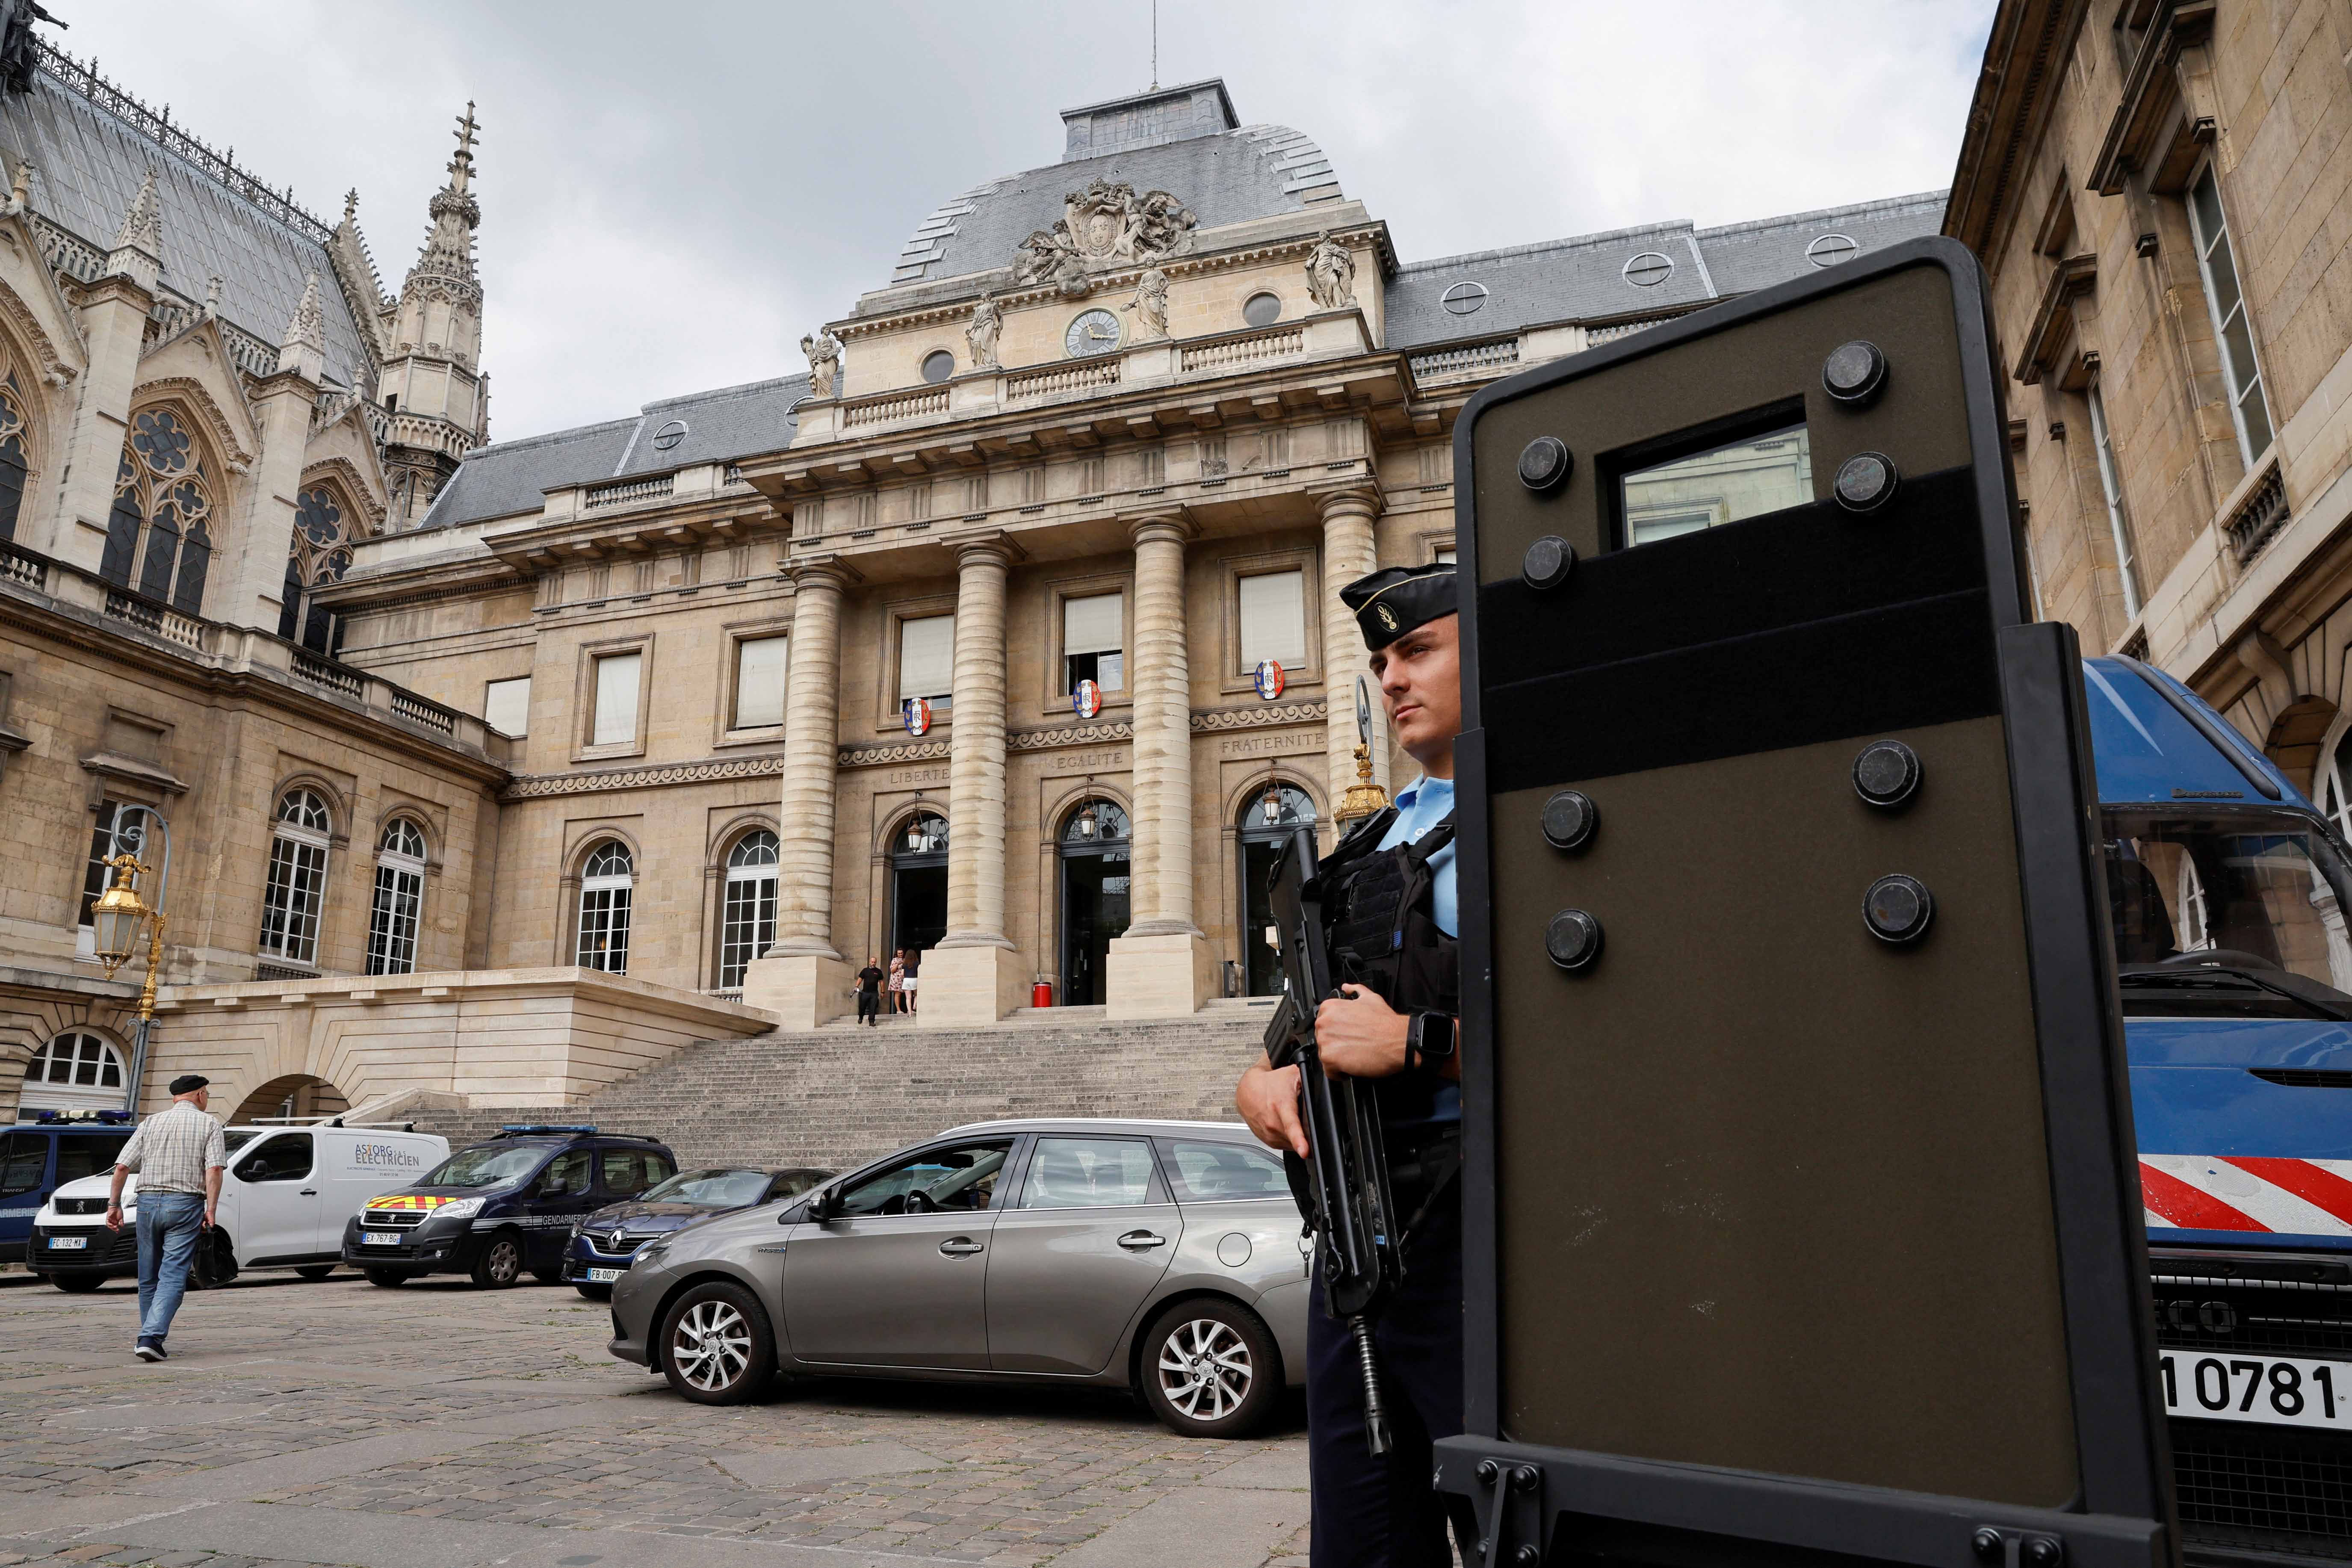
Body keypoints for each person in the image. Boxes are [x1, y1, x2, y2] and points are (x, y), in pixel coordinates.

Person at [1235, 562, 1468, 1568]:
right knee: (1362, 1529)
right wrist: (1259, 1082)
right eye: (1380, 660)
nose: (1391, 678)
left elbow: (1626, 1034)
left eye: (1416, 650)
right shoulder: (1376, 830)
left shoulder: (1555, 812)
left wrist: (1420, 1040)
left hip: (1478, 1226)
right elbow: (1300, 1022)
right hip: (1353, 1232)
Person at [106, 1072, 228, 1363]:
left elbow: (122, 1166)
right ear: (199, 1095)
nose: (207, 1098)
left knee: (148, 1274)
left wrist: (114, 1205)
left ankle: (149, 1333)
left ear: (175, 1097)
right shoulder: (209, 1123)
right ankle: (151, 1337)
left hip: (147, 1202)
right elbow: (214, 1170)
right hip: (185, 1204)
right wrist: (211, 1209)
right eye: (207, 1093)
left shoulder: (151, 1122)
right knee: (173, 1274)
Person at [855, 957, 886, 1025]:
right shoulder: (865, 970)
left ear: (876, 963)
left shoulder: (879, 972)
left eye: (874, 962)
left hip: (874, 993)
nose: (873, 963)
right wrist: (856, 986)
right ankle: (861, 1017)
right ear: (870, 962)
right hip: (865, 992)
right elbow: (860, 979)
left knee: (873, 1007)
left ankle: (871, 1021)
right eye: (872, 962)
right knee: (862, 1007)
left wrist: (883, 992)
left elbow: (881, 982)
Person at [889, 950, 907, 1014]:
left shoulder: (905, 960)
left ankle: (909, 1009)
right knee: (898, 994)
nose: (901, 955)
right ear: (897, 954)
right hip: (897, 979)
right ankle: (898, 1010)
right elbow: (892, 970)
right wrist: (898, 964)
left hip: (905, 979)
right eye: (899, 953)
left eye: (902, 953)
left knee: (908, 993)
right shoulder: (895, 960)